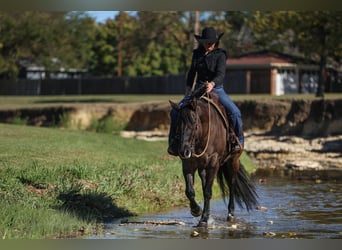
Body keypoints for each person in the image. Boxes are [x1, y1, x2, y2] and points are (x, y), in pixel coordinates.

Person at [168, 26, 244, 156]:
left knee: (235, 112)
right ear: (202, 42)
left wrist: (212, 84)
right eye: (206, 42)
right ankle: (174, 143)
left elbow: (220, 74)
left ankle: (238, 142)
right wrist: (188, 90)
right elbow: (192, 73)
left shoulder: (221, 55)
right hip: (198, 89)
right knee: (175, 112)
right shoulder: (197, 55)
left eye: (211, 42)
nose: (209, 44)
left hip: (217, 89)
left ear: (215, 42)